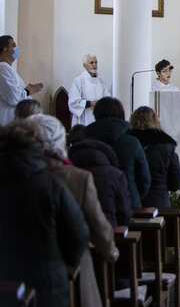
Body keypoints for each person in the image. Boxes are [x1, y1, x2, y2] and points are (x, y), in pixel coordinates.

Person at [31, 113, 117, 307]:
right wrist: (111, 253)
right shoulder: (77, 177)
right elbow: (97, 228)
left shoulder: (13, 175)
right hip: (70, 270)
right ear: (60, 142)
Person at [0, 119, 89, 307]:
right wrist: (62, 262)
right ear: (37, 147)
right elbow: (77, 234)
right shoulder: (51, 185)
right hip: (46, 283)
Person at [84, 97, 151, 208]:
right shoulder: (132, 143)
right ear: (121, 114)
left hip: (92, 204)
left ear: (96, 114)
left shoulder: (84, 140)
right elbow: (144, 179)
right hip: (128, 203)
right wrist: (133, 196)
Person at [68, 135, 131, 227]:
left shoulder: (66, 174)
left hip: (74, 232)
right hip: (109, 229)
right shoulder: (115, 175)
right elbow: (124, 211)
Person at [129, 106, 180, 208]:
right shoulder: (165, 144)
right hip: (158, 202)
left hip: (131, 201)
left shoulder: (127, 142)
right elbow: (176, 181)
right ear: (155, 120)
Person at [0, 35, 43, 125]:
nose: (16, 48)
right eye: (13, 45)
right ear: (5, 49)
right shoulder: (3, 68)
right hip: (7, 121)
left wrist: (27, 89)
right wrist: (29, 90)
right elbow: (13, 97)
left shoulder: (7, 68)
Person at [67, 54, 111, 126]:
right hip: (83, 120)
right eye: (91, 63)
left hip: (99, 118)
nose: (94, 65)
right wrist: (90, 103)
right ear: (84, 65)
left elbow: (107, 98)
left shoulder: (101, 82)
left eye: (96, 62)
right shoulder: (78, 81)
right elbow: (73, 102)